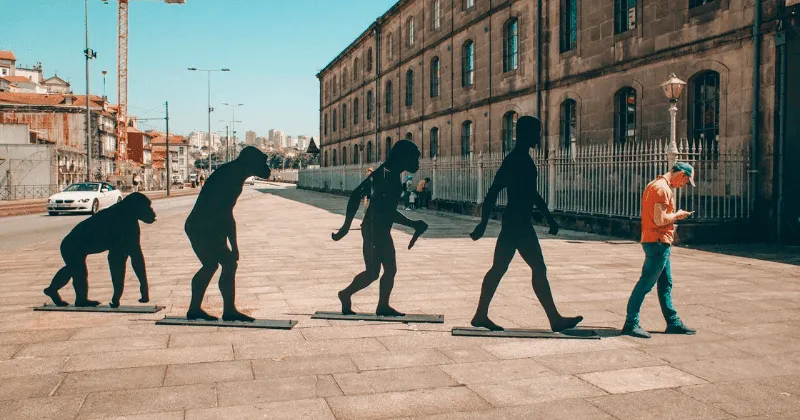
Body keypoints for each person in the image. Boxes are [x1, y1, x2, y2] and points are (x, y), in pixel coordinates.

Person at [469, 116, 583, 332]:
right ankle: (554, 319)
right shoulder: (515, 160)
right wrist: (483, 224)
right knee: (536, 268)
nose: (539, 136)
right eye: (536, 132)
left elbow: (531, 194)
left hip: (516, 221)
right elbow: (493, 191)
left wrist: (548, 218)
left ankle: (480, 315)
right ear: (526, 133)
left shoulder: (521, 159)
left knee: (501, 268)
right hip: (517, 224)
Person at [332, 140, 428, 317]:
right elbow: (377, 206)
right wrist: (346, 226)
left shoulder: (388, 172)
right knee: (373, 272)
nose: (417, 163)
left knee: (388, 270)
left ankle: (382, 305)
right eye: (415, 158)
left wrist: (347, 226)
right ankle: (346, 294)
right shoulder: (387, 176)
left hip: (379, 228)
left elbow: (382, 208)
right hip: (374, 229)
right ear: (403, 157)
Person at [184, 146, 272, 321]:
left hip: (208, 225)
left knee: (219, 265)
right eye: (263, 163)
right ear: (251, 163)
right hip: (201, 226)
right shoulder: (231, 176)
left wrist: (232, 244)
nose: (266, 168)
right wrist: (234, 246)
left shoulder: (234, 173)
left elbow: (224, 214)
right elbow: (225, 214)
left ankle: (209, 309)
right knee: (216, 265)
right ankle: (222, 310)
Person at [622, 162, 697, 338]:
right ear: (681, 174)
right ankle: (630, 323)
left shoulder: (655, 185)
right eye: (686, 181)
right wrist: (677, 215)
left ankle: (673, 322)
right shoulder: (662, 189)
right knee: (645, 284)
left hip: (658, 241)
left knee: (665, 283)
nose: (684, 185)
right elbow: (659, 219)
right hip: (658, 242)